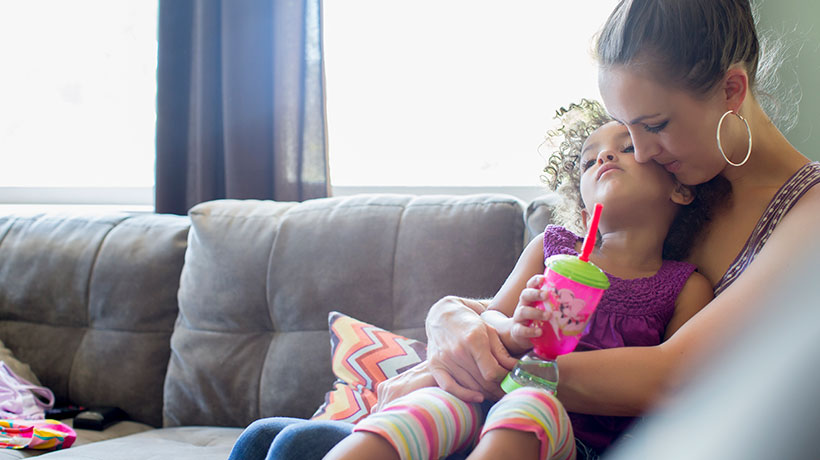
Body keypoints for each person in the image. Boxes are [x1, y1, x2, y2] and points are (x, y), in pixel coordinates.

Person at [374, 0, 820, 456]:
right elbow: (548, 308)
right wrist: (449, 316)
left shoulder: (811, 212)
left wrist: (487, 371)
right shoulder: (679, 186)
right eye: (628, 128)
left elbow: (674, 376)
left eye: (655, 126)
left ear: (731, 89)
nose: (641, 154)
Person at [321, 99, 716, 460]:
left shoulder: (684, 286)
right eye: (588, 161)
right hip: (486, 404)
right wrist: (515, 329)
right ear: (581, 212)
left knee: (530, 404)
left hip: (574, 442)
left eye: (626, 147)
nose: (605, 157)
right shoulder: (551, 249)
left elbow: (669, 392)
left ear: (679, 188)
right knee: (428, 404)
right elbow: (490, 318)